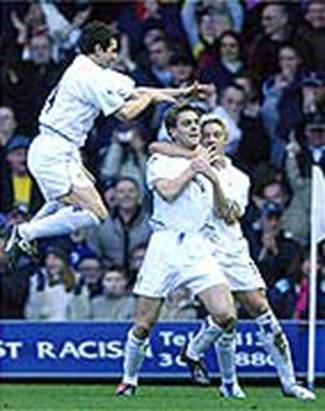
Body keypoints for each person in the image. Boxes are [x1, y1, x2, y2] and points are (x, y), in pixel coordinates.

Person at [4, 21, 203, 272]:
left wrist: (180, 93)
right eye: (111, 49)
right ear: (97, 50)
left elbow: (136, 91)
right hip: (53, 151)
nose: (115, 55)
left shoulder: (91, 70)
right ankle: (25, 232)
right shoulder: (89, 77)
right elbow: (126, 113)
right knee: (95, 214)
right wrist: (152, 98)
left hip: (60, 149)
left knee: (66, 204)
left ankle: (22, 235)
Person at [150, 114, 315, 400]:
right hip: (201, 249)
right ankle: (229, 383)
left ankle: (287, 382)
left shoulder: (238, 177)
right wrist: (195, 166)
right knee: (227, 316)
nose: (211, 139)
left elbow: (231, 214)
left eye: (217, 135)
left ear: (225, 140)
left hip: (233, 248)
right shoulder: (186, 166)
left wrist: (213, 181)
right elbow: (156, 147)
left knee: (261, 309)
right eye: (206, 135)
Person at [116, 104, 237, 396]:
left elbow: (223, 211)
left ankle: (192, 351)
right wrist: (193, 169)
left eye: (196, 122)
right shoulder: (160, 160)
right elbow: (168, 193)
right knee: (144, 324)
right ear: (173, 131)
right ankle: (129, 379)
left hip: (198, 244)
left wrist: (214, 180)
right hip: (166, 243)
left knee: (226, 314)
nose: (194, 128)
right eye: (187, 124)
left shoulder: (212, 162)